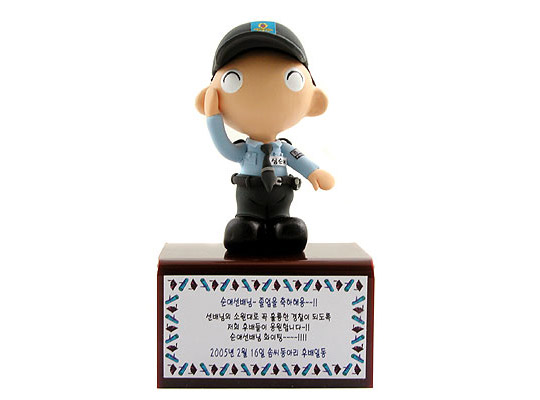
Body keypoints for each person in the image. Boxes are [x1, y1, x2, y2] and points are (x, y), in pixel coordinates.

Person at [195, 21, 334, 254]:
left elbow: (298, 158)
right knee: (242, 233)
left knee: (290, 232)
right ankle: (248, 225)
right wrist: (213, 117)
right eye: (233, 80)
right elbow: (224, 147)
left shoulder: (284, 149)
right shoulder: (244, 151)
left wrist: (314, 172)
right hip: (249, 196)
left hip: (281, 197)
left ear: (315, 102)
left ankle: (282, 225)